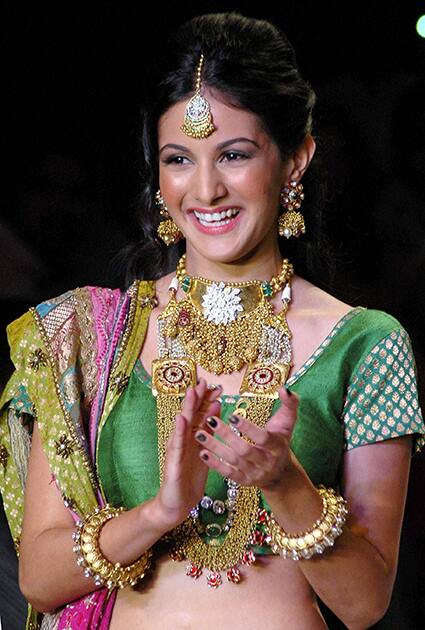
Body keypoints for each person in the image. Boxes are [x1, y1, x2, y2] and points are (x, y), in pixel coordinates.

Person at [1, 11, 424, 630]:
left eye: (234, 155)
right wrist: (159, 512)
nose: (206, 189)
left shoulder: (366, 344)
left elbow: (363, 605)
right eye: (178, 159)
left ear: (295, 160)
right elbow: (38, 580)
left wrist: (286, 486)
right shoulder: (87, 336)